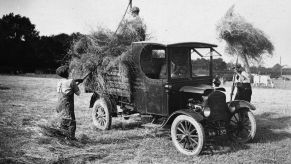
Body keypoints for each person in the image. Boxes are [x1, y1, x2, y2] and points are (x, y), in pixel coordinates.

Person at [52, 65, 83, 140]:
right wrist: (75, 85)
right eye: (69, 71)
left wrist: (76, 81)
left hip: (59, 105)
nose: (70, 71)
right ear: (67, 73)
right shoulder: (71, 82)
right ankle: (71, 139)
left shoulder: (59, 82)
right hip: (67, 105)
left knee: (62, 120)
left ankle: (62, 137)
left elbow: (67, 83)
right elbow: (79, 93)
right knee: (71, 121)